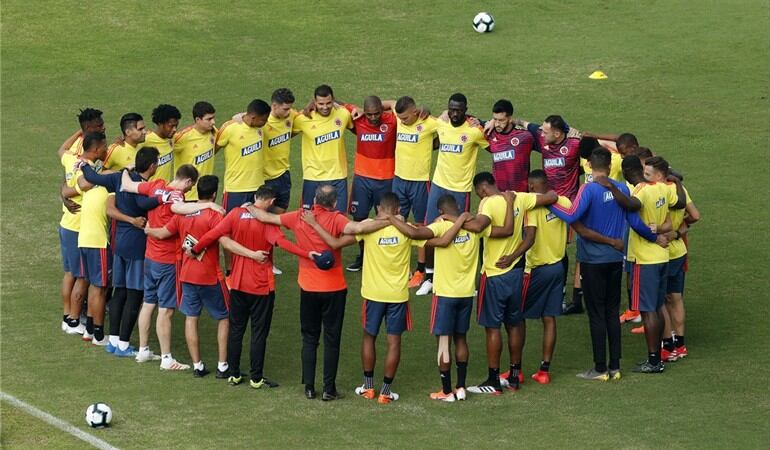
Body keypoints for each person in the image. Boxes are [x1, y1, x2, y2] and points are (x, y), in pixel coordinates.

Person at [247, 184, 389, 400]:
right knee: (332, 340)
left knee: (309, 338)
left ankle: (309, 387)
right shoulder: (337, 219)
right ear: (334, 202)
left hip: (308, 287)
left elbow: (267, 218)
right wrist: (390, 220)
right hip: (334, 288)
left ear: (314, 199)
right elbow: (359, 229)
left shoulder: (298, 217)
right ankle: (329, 389)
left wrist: (249, 206)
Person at [547, 148, 664, 380]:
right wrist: (655, 237)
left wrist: (548, 202)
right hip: (614, 260)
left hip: (592, 261)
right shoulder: (621, 188)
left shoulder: (588, 189)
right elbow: (634, 220)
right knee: (612, 311)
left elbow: (571, 215)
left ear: (589, 165)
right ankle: (615, 366)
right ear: (610, 166)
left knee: (596, 313)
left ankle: (600, 369)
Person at [192, 186, 317, 389]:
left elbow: (212, 234)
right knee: (259, 333)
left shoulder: (234, 214)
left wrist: (195, 249)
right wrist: (308, 254)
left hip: (238, 284)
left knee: (236, 330)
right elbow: (284, 244)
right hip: (261, 287)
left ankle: (233, 374)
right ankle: (256, 378)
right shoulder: (266, 222)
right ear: (270, 201)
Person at [305, 193, 424, 404]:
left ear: (378, 208)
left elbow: (334, 243)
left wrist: (314, 224)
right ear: (398, 210)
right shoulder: (406, 230)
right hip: (398, 296)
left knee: (369, 337)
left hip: (373, 294)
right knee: (393, 342)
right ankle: (386, 392)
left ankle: (368, 388)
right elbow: (429, 237)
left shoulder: (368, 228)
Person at [120, 164, 222, 368]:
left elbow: (127, 185)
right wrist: (208, 206)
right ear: (188, 181)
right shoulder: (177, 196)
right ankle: (167, 358)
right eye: (189, 187)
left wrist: (126, 168)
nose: (187, 191)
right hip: (167, 261)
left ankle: (143, 350)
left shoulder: (155, 185)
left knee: (148, 303)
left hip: (149, 256)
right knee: (166, 309)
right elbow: (178, 208)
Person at [463, 173, 556, 394]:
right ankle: (515, 376)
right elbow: (550, 197)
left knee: (492, 327)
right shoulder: (519, 198)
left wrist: (459, 220)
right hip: (515, 273)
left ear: (483, 189)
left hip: (494, 274)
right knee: (515, 324)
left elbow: (479, 226)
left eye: (478, 193)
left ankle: (494, 380)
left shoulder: (487, 203)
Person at [144, 176, 235, 378]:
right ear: (213, 194)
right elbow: (225, 242)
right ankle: (222, 365)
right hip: (211, 276)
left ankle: (197, 366)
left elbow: (162, 233)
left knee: (191, 318)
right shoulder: (215, 215)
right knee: (224, 317)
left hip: (186, 275)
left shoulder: (183, 214)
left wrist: (147, 229)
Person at [385, 195, 474, 402]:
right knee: (461, 338)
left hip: (445, 294)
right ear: (458, 207)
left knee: (444, 341)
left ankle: (446, 391)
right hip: (466, 292)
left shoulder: (441, 226)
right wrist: (460, 219)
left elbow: (414, 233)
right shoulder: (472, 226)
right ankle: (461, 387)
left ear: (440, 212)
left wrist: (391, 218)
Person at [603, 156, 685, 372]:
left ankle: (654, 361)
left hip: (645, 260)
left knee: (648, 311)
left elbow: (632, 207)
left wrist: (612, 187)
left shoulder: (642, 189)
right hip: (662, 257)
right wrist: (659, 231)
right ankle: (658, 355)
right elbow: (675, 210)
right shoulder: (663, 189)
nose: (645, 175)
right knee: (657, 307)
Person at [80, 148, 163, 356]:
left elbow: (93, 177)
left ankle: (114, 340)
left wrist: (82, 165)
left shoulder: (119, 178)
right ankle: (124, 344)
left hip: (119, 244)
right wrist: (165, 196)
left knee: (119, 292)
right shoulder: (143, 188)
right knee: (135, 295)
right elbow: (145, 203)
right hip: (137, 245)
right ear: (152, 166)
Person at [418, 93, 489, 296]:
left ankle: (464, 280)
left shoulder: (475, 131)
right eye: (451, 109)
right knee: (430, 229)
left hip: (460, 189)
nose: (454, 113)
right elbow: (417, 118)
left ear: (466, 110)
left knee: (462, 234)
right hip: (439, 186)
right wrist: (426, 108)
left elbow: (495, 146)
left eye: (458, 110)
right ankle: (430, 277)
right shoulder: (441, 124)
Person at [520, 170, 572, 384]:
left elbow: (530, 238)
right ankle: (544, 371)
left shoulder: (531, 207)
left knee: (517, 317)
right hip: (558, 267)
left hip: (536, 270)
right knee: (549, 318)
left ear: (531, 187)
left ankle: (516, 370)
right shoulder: (564, 201)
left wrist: (513, 254)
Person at [57, 108, 105, 332]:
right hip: (79, 226)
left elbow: (61, 150)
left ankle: (68, 317)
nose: (103, 127)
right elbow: (82, 185)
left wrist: (79, 132)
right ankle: (73, 319)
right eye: (98, 125)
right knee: (82, 276)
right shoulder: (85, 165)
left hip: (68, 223)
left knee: (71, 273)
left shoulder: (72, 156)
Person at [216, 99, 271, 276]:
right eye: (263, 119)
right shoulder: (230, 128)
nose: (266, 122)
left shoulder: (260, 128)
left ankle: (256, 262)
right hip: (235, 189)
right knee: (229, 230)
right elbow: (212, 148)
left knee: (258, 228)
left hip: (257, 188)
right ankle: (230, 269)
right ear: (254, 117)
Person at [344, 95, 398, 272]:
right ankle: (364, 255)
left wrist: (386, 104)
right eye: (369, 114)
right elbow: (333, 102)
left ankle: (382, 255)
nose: (373, 117)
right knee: (359, 218)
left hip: (386, 179)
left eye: (376, 113)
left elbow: (398, 104)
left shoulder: (391, 120)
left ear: (382, 111)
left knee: (385, 218)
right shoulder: (358, 119)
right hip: (362, 179)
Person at [390, 96, 438, 288]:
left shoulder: (428, 122)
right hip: (399, 179)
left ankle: (420, 270)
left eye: (406, 118)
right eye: (400, 118)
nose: (402, 122)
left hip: (420, 182)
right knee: (396, 221)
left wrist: (437, 113)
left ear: (415, 111)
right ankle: (399, 265)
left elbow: (448, 126)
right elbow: (389, 102)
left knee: (420, 225)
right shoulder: (399, 114)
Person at [73, 132, 110, 346]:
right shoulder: (92, 173)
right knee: (99, 287)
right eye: (104, 146)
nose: (107, 150)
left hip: (85, 236)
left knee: (92, 285)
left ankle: (88, 330)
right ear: (97, 149)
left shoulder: (89, 173)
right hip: (97, 239)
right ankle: (98, 334)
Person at [292, 84, 354, 212]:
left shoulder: (343, 114)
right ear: (314, 102)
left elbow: (360, 122)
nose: (325, 107)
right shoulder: (303, 118)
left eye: (328, 103)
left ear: (333, 100)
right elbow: (282, 127)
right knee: (308, 218)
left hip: (338, 176)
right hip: (313, 177)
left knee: (340, 218)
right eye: (321, 104)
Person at [660, 179, 700, 362]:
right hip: (679, 250)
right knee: (676, 298)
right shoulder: (679, 189)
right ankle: (680, 345)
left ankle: (668, 346)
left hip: (660, 253)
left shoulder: (657, 191)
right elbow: (695, 216)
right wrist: (678, 231)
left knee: (660, 301)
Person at [485, 99, 535, 193]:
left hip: (520, 195)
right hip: (499, 194)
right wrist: (447, 113)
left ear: (510, 118)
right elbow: (469, 120)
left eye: (501, 120)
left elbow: (543, 132)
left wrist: (521, 122)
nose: (497, 124)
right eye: (495, 119)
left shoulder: (525, 136)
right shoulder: (490, 133)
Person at [263, 88, 298, 213]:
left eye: (290, 108)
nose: (289, 112)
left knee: (280, 212)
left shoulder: (291, 115)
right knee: (262, 215)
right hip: (265, 178)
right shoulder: (262, 122)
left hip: (283, 174)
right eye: (285, 109)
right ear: (274, 106)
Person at [174, 101, 217, 200]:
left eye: (213, 118)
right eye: (209, 119)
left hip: (207, 193)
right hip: (187, 194)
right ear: (198, 119)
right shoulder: (183, 137)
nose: (213, 122)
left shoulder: (213, 133)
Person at [143, 104, 181, 182]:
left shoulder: (172, 138)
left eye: (176, 126)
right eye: (171, 126)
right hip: (149, 192)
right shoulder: (146, 139)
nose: (174, 129)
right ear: (160, 124)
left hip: (164, 191)